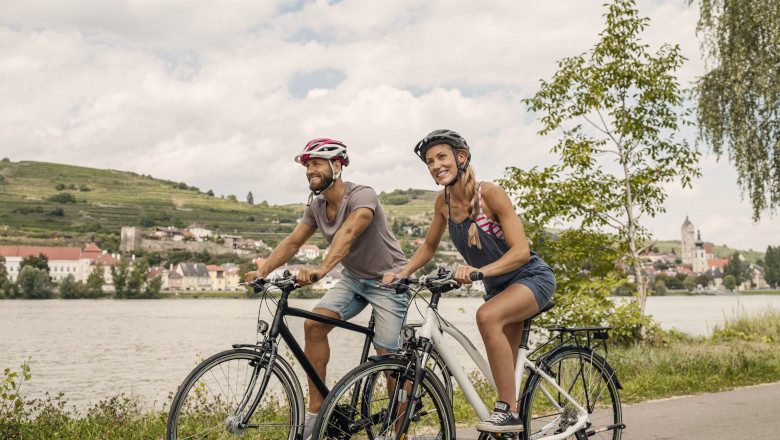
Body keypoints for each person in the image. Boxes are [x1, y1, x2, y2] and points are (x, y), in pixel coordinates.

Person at [383, 129, 556, 434]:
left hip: (531, 278)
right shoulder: (443, 202)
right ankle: (512, 415)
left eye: (441, 157)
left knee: (486, 316)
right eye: (430, 161)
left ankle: (508, 412)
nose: (436, 165)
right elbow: (429, 246)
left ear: (460, 157)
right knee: (507, 373)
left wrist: (479, 271)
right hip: (499, 288)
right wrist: (403, 273)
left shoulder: (491, 194)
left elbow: (520, 251)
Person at [244, 138, 408, 439]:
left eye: (316, 163)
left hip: (389, 281)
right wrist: (262, 271)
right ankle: (317, 412)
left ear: (337, 165)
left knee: (389, 360)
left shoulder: (363, 195)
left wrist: (322, 269)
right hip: (354, 279)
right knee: (314, 326)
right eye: (307, 166)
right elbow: (294, 241)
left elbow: (349, 232)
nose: (310, 170)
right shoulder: (317, 206)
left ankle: (399, 433)